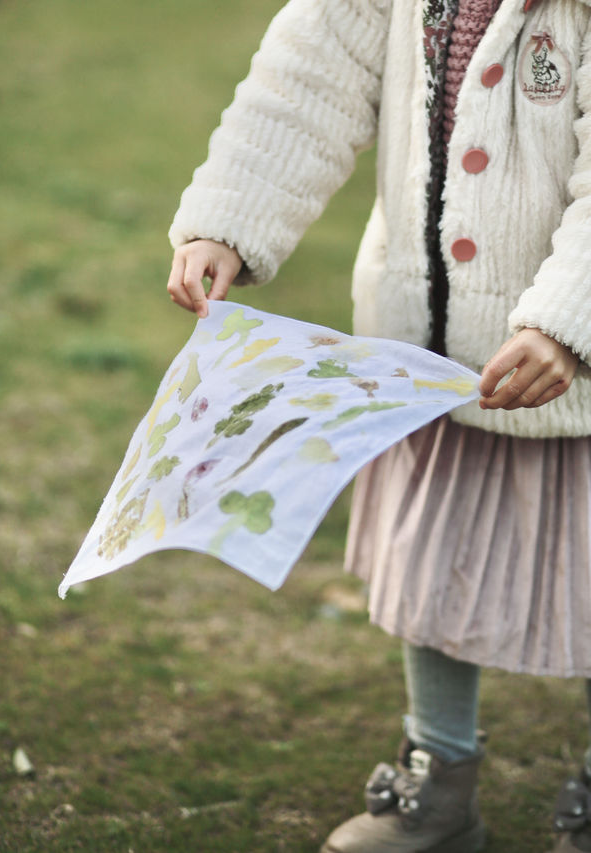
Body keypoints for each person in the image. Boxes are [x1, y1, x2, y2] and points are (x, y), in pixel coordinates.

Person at [166, 0, 591, 849]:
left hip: (560, 371)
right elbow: (306, 83)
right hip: (427, 353)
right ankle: (438, 774)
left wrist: (569, 321)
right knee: (432, 562)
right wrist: (227, 221)